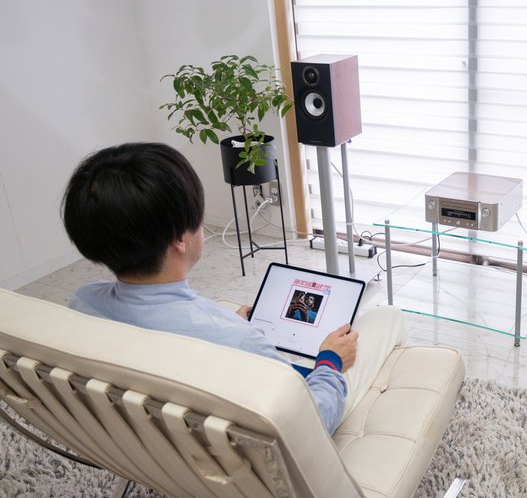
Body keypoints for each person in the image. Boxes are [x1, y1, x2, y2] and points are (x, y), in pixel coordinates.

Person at [61, 142, 406, 434]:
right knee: (387, 317)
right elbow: (312, 421)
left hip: (146, 440)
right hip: (244, 455)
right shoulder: (237, 340)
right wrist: (329, 361)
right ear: (180, 239)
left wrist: (227, 324)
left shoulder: (83, 303)